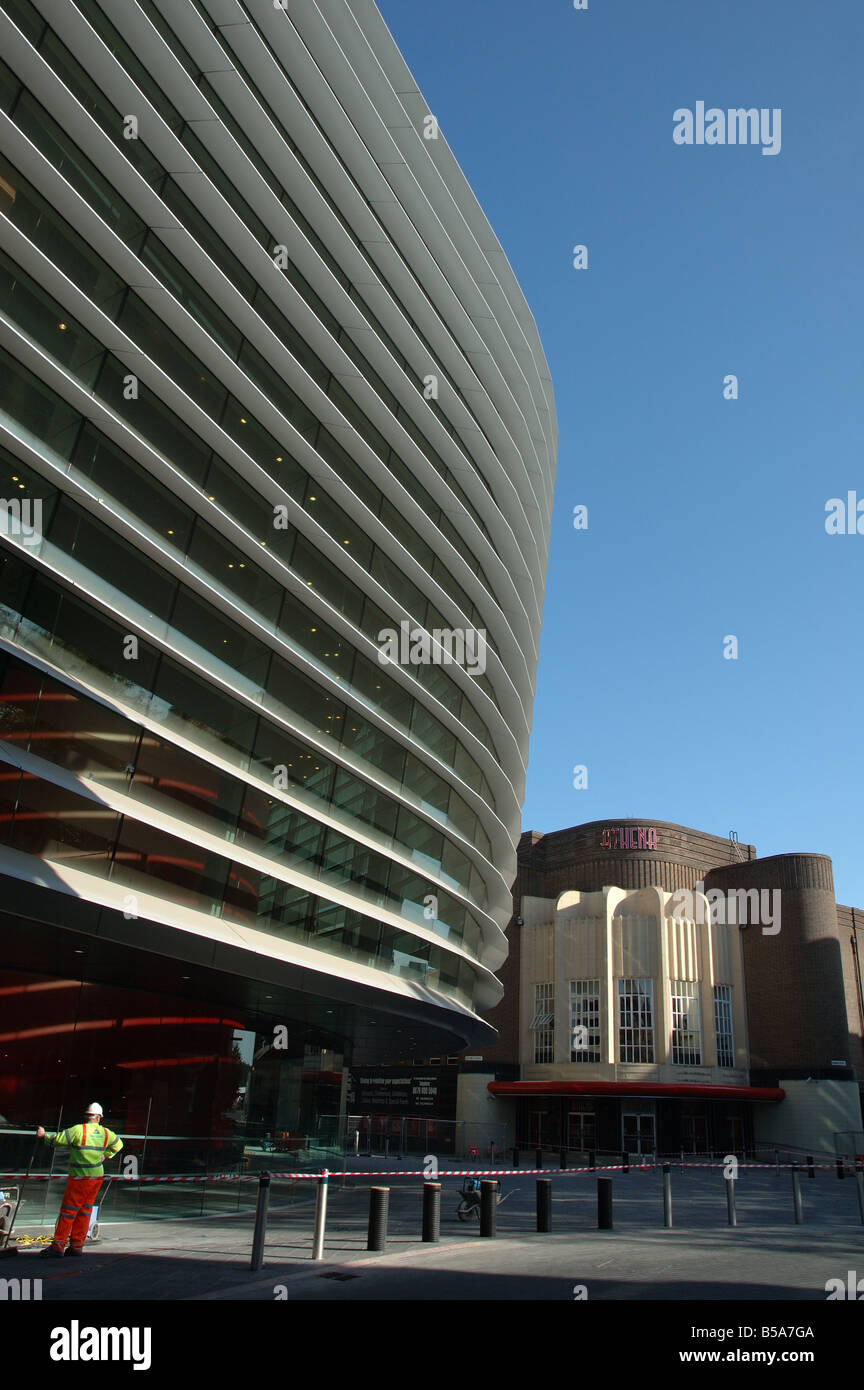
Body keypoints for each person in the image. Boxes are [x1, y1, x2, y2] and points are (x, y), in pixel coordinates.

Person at [36, 1103, 123, 1257]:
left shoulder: (78, 1130)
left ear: (86, 1115)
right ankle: (76, 1246)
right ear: (99, 1117)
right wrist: (106, 1155)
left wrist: (44, 1136)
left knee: (68, 1211)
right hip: (96, 1178)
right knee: (85, 1210)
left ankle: (58, 1246)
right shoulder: (105, 1133)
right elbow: (119, 1144)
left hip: (79, 1178)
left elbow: (58, 1140)